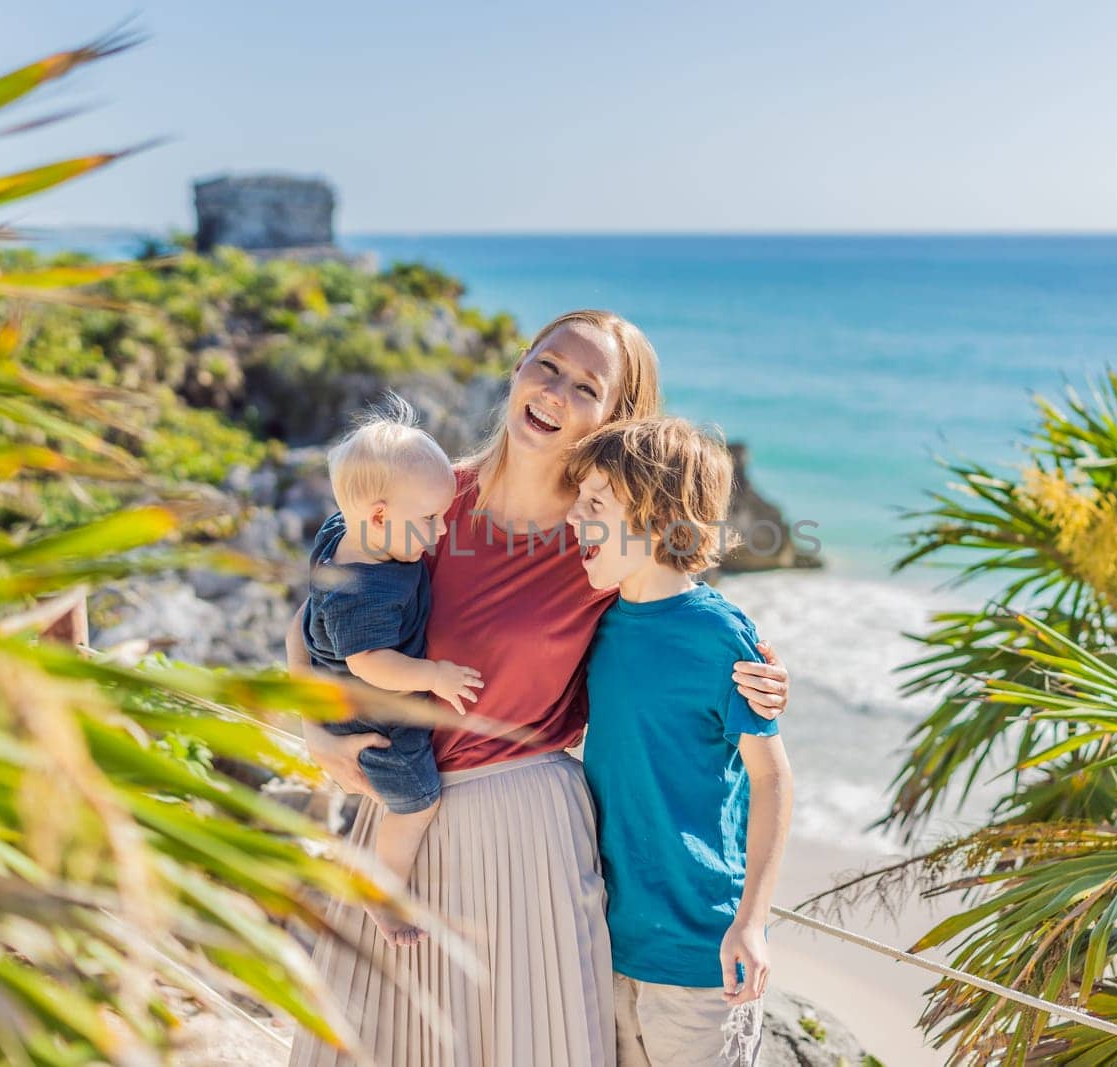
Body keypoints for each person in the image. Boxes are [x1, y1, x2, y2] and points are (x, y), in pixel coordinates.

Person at [287, 310, 790, 1067]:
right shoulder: (426, 490)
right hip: (402, 819)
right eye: (546, 365)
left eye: (586, 385)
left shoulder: (606, 540)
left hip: (531, 835)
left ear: (615, 420)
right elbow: (316, 619)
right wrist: (315, 724)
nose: (554, 390)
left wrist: (764, 675)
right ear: (520, 366)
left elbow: (681, 628)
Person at [565, 417, 792, 1067]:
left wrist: (752, 921)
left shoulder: (720, 634)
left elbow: (773, 778)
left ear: (657, 516)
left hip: (704, 956)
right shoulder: (599, 622)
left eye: (595, 503)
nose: (574, 516)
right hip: (611, 943)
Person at [292, 397, 482, 946]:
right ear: (378, 516)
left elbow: (305, 618)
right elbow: (371, 664)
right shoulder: (368, 590)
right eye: (428, 520)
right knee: (418, 804)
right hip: (375, 717)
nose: (440, 531)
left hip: (342, 687)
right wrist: (434, 675)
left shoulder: (341, 532)